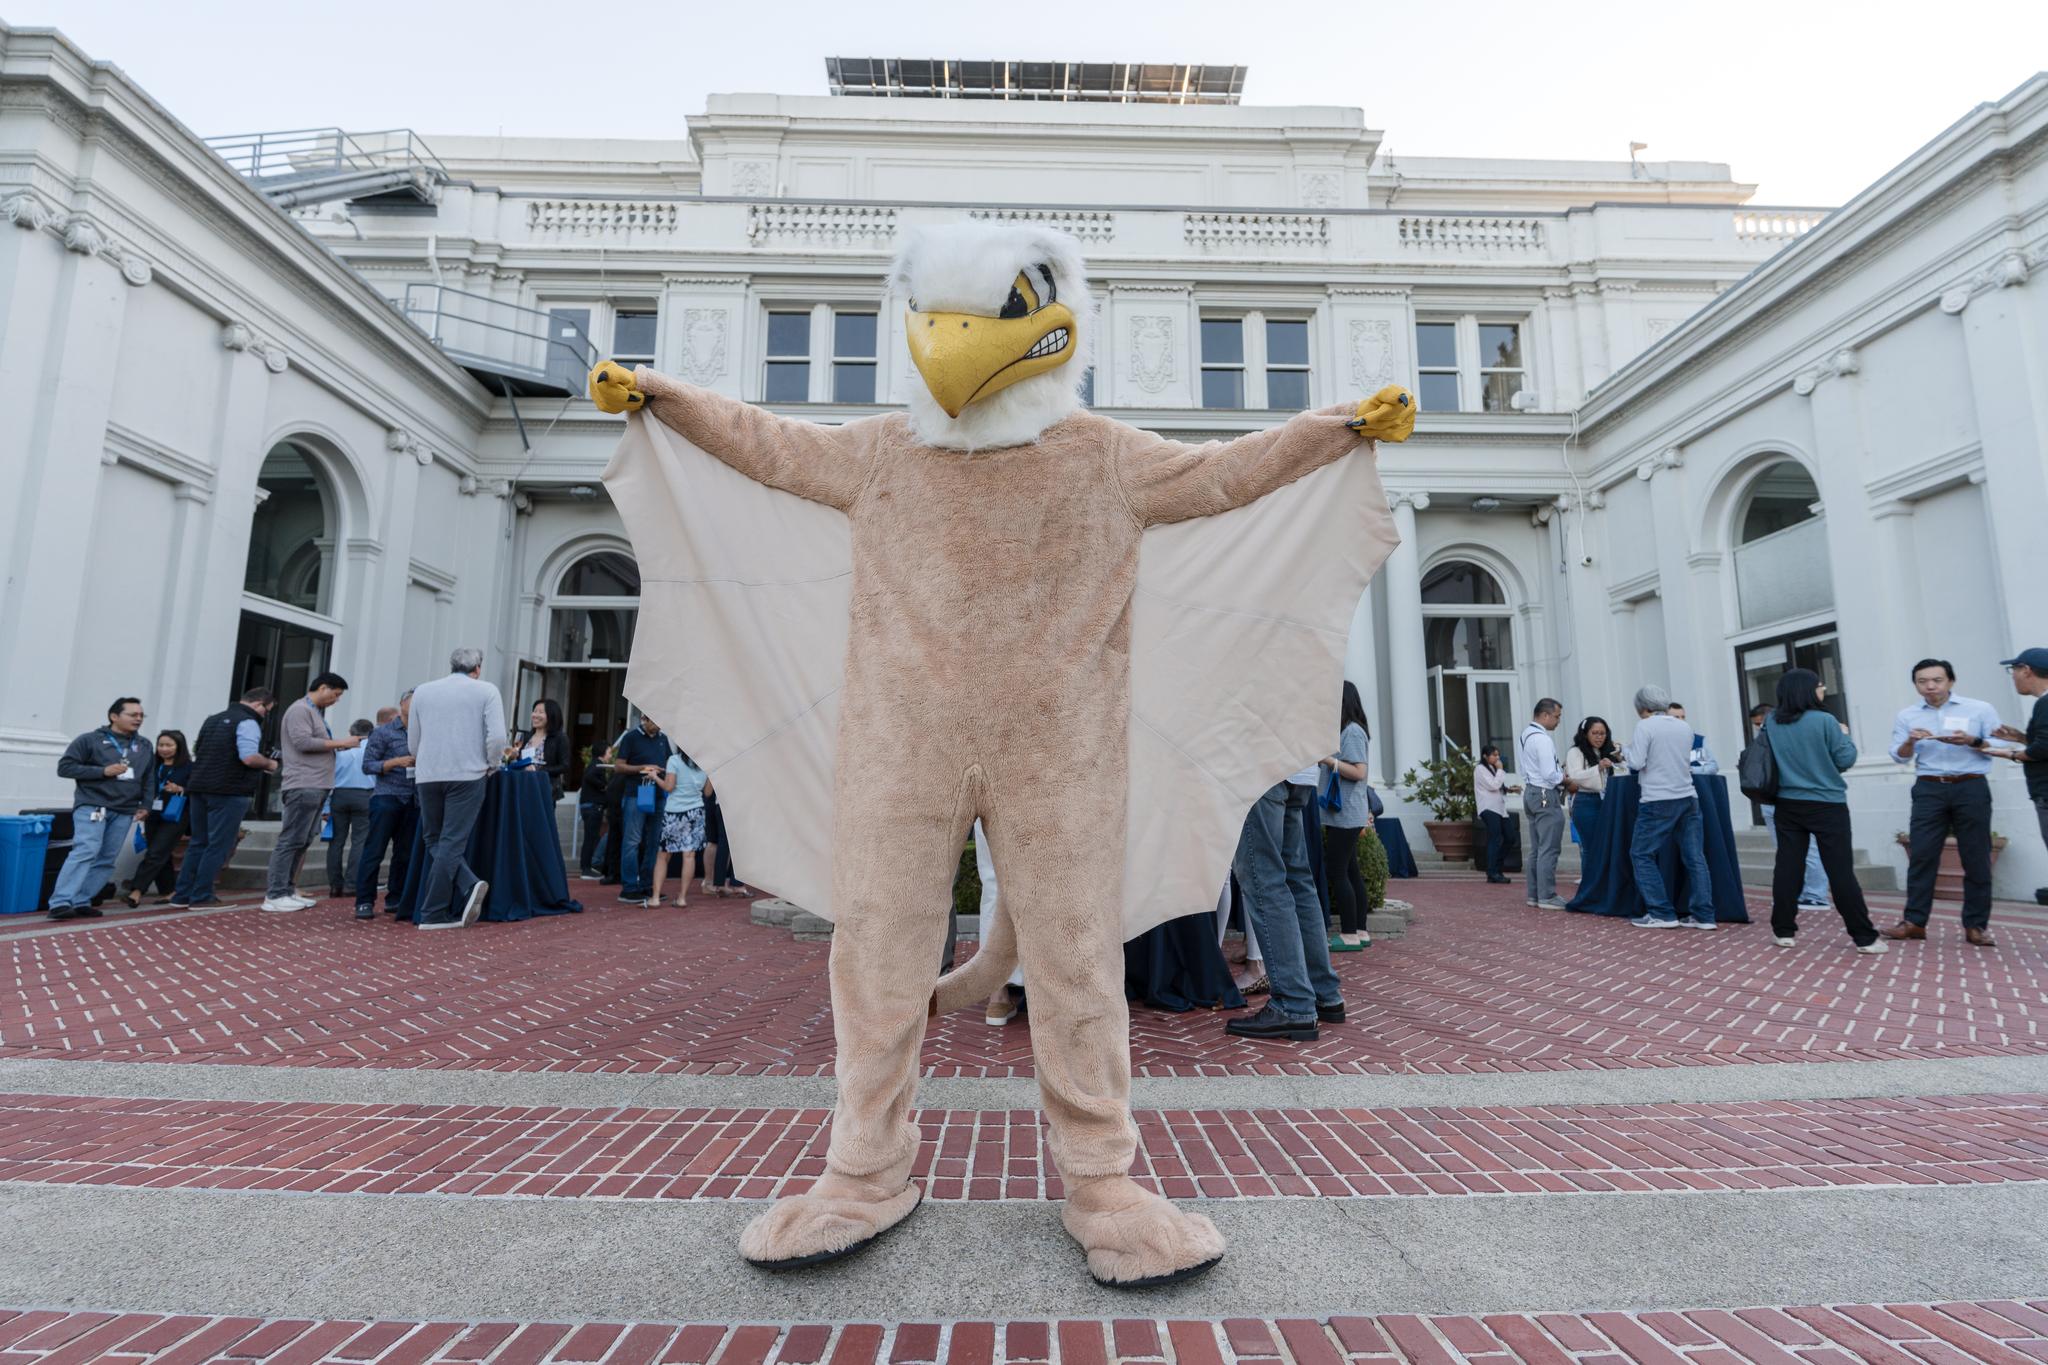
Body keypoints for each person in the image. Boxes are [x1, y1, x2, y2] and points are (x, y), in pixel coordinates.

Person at [1761, 669, 1885, 954]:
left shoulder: (1771, 722)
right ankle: (1863, 937)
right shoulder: (1826, 721)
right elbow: (1845, 759)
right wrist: (1844, 735)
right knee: (1840, 870)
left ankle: (1783, 931)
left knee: (1788, 867)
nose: (1823, 690)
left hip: (1786, 803)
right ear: (1807, 690)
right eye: (1820, 686)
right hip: (1827, 803)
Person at [1885, 658, 2001, 947]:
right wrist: (1911, 741)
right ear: (1916, 685)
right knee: (1922, 854)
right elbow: (1898, 755)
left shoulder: (1979, 709)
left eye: (1936, 680)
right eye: (1922, 681)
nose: (1930, 686)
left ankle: (1976, 926)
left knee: (1976, 856)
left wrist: (1973, 740)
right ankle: (1914, 922)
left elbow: (2001, 745)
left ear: (1950, 681)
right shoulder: (1908, 715)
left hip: (1970, 785)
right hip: (1929, 788)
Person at [1224, 775, 1346, 1041]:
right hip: (1298, 764)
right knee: (1297, 878)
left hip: (1260, 765)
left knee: (1264, 880)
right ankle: (1323, 992)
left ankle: (1294, 1002)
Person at [407, 646, 506, 929]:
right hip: (467, 772)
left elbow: (413, 740)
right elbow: (497, 736)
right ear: (477, 669)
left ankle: (465, 886)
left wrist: (424, 758)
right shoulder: (485, 690)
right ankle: (434, 911)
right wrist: (493, 763)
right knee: (450, 840)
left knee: (435, 839)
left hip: (428, 773)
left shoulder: (423, 691)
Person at [170, 688, 278, 909]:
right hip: (229, 790)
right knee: (218, 844)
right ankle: (202, 896)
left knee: (198, 842)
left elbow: (198, 750)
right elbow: (248, 757)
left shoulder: (212, 720)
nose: (265, 716)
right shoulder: (248, 722)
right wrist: (270, 764)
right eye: (267, 711)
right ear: (259, 704)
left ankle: (182, 894)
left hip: (200, 786)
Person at [47, 698, 155, 920]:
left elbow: (149, 777)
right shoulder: (89, 740)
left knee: (106, 858)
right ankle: (60, 902)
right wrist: (102, 771)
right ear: (114, 716)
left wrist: (146, 804)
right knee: (86, 850)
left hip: (125, 810)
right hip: (93, 805)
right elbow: (65, 768)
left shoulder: (144, 745)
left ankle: (81, 900)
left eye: (141, 715)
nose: (138, 719)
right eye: (133, 714)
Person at [262, 672, 359, 913]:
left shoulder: (311, 711)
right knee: (291, 839)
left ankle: (286, 890)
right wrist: (341, 743)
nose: (335, 700)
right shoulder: (299, 710)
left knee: (302, 840)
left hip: (316, 784)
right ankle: (275, 894)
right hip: (303, 784)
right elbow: (303, 742)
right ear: (323, 687)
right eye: (335, 695)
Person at [1622, 684, 1716, 930]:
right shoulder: (1684, 727)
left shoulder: (1645, 726)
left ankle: (1662, 912)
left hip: (1657, 798)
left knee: (1641, 854)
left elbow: (1637, 761)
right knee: (1695, 857)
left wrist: (1624, 752)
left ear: (1641, 707)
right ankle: (1704, 915)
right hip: (1687, 795)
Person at [1748, 702, 1829, 911]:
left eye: (1760, 723)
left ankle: (1815, 894)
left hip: (1791, 798)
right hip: (1770, 799)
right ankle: (1799, 892)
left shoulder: (1787, 736)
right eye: (1755, 725)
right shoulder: (1765, 737)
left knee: (1808, 848)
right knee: (1786, 851)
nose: (1758, 728)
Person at [1318, 684, 1373, 951]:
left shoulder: (1351, 731)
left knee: (1337, 871)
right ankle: (1360, 931)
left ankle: (1350, 933)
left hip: (1346, 813)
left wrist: (1328, 761)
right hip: (1349, 812)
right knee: (1351, 871)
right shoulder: (1354, 729)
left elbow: (1359, 771)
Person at [354, 693, 418, 922]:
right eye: (412, 699)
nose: (416, 703)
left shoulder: (426, 732)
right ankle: (364, 901)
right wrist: (394, 762)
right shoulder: (383, 732)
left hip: (413, 799)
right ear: (402, 704)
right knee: (374, 851)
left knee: (405, 854)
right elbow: (367, 765)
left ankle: (396, 898)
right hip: (386, 797)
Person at [1991, 647, 2048, 907]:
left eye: (2013, 670)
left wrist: (2005, 753)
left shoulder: (2045, 703)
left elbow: (2042, 749)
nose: (2013, 676)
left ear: (2027, 670)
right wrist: (2020, 737)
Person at [609, 714, 674, 905]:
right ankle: (629, 887)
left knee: (654, 841)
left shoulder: (663, 739)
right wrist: (642, 768)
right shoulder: (631, 737)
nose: (659, 726)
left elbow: (669, 762)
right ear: (644, 718)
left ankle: (647, 885)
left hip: (658, 795)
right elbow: (618, 766)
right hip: (635, 794)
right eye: (655, 721)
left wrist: (664, 771)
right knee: (632, 840)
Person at [123, 729, 191, 907]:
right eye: (161, 745)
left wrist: (180, 789)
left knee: (156, 852)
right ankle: (169, 891)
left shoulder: (189, 768)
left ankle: (136, 890)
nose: (164, 749)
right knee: (160, 852)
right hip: (153, 813)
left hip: (176, 815)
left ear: (179, 747)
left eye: (169, 745)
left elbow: (198, 790)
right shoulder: (152, 765)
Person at [1518, 698, 1569, 909]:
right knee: (1549, 848)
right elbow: (1549, 773)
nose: (1558, 722)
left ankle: (1534, 894)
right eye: (1557, 717)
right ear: (1546, 715)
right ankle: (1547, 895)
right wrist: (1565, 778)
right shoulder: (1543, 739)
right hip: (1544, 793)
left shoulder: (1526, 734)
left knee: (1537, 849)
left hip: (1530, 791)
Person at [649, 747, 712, 907]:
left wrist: (655, 777)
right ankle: (682, 898)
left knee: (663, 855)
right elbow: (708, 793)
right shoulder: (706, 763)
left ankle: (655, 898)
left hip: (674, 812)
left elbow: (669, 787)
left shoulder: (674, 760)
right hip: (696, 812)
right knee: (689, 856)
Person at [325, 718, 376, 900]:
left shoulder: (341, 752)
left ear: (351, 732)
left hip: (339, 795)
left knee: (336, 841)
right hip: (365, 795)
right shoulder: (372, 750)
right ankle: (351, 884)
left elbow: (329, 776)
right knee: (360, 841)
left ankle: (334, 885)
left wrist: (325, 805)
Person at [1563, 716, 1620, 851]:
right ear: (1585, 734)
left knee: (1608, 848)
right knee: (1590, 848)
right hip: (1586, 801)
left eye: (1602, 733)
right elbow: (1574, 776)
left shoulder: (1608, 751)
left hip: (1608, 801)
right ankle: (1591, 873)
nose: (1599, 737)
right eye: (1594, 733)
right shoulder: (1575, 752)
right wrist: (1598, 767)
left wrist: (1620, 756)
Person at [1473, 744, 1518, 885]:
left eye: (1498, 755)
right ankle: (1492, 872)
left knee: (1510, 837)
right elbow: (1492, 785)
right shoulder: (1480, 769)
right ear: (1485, 756)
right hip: (1488, 808)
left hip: (1499, 809)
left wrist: (1509, 790)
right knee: (1495, 837)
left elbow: (1498, 787)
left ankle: (1496, 868)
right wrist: (1500, 770)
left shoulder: (1492, 768)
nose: (1497, 758)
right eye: (1494, 755)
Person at [508, 698, 569, 801]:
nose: (535, 715)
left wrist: (539, 770)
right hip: (522, 787)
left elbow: (564, 766)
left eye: (540, 712)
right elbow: (520, 762)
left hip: (544, 789)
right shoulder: (527, 737)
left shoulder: (560, 738)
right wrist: (513, 757)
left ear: (551, 715)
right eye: (535, 711)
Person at [576, 756, 610, 879]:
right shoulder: (598, 765)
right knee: (591, 838)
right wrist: (603, 786)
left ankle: (588, 867)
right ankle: (587, 868)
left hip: (588, 806)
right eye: (609, 752)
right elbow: (590, 777)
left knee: (591, 838)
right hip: (593, 807)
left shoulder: (593, 764)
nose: (610, 756)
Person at [1667, 702, 1719, 775]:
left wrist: (1691, 770)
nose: (1681, 720)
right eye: (1676, 717)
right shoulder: (1662, 742)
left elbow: (1712, 767)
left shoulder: (1696, 742)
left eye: (1683, 717)